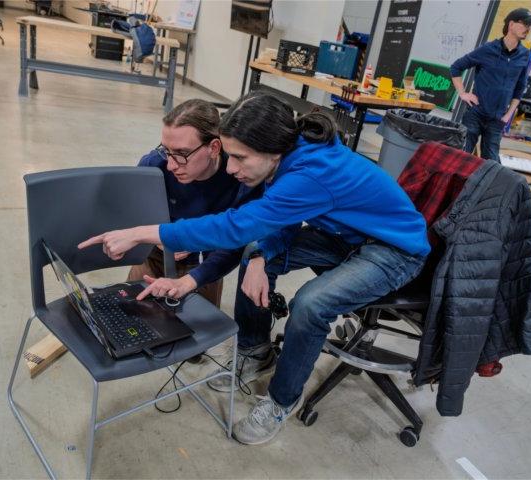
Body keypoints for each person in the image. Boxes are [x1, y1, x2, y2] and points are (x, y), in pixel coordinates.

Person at [79, 93, 430, 445]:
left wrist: (142, 233)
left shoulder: (312, 172)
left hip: (392, 250)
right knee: (252, 255)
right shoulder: (287, 157)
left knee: (310, 304)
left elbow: (235, 226)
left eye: (239, 157)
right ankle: (255, 348)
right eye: (229, 155)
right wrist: (261, 255)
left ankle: (282, 400)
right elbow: (284, 219)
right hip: (344, 237)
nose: (231, 168)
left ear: (271, 151)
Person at [128, 98, 260, 308]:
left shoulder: (240, 178)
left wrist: (195, 241)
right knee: (133, 319)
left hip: (205, 265)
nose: (171, 164)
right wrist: (159, 237)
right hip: (154, 257)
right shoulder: (154, 166)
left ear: (214, 147)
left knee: (196, 333)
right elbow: (131, 208)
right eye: (166, 150)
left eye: (181, 154)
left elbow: (236, 242)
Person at [450, 8, 531, 161]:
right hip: (475, 113)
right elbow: (456, 67)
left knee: (491, 163)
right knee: (462, 158)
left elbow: (519, 88)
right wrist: (463, 93)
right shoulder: (487, 49)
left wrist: (508, 115)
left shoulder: (525, 55)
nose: (529, 28)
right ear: (511, 24)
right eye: (526, 24)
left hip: (498, 119)